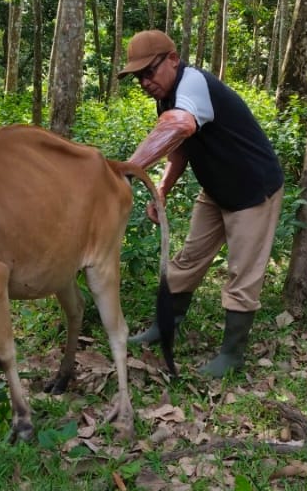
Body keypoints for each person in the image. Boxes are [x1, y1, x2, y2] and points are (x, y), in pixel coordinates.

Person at [121, 29, 284, 377]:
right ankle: (165, 326)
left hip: (253, 191)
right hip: (216, 190)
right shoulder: (167, 96)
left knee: (242, 273)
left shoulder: (193, 83)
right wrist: (162, 186)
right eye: (138, 77)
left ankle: (231, 355)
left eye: (149, 71)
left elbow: (179, 126)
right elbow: (181, 145)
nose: (145, 82)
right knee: (188, 258)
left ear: (173, 60)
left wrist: (128, 171)